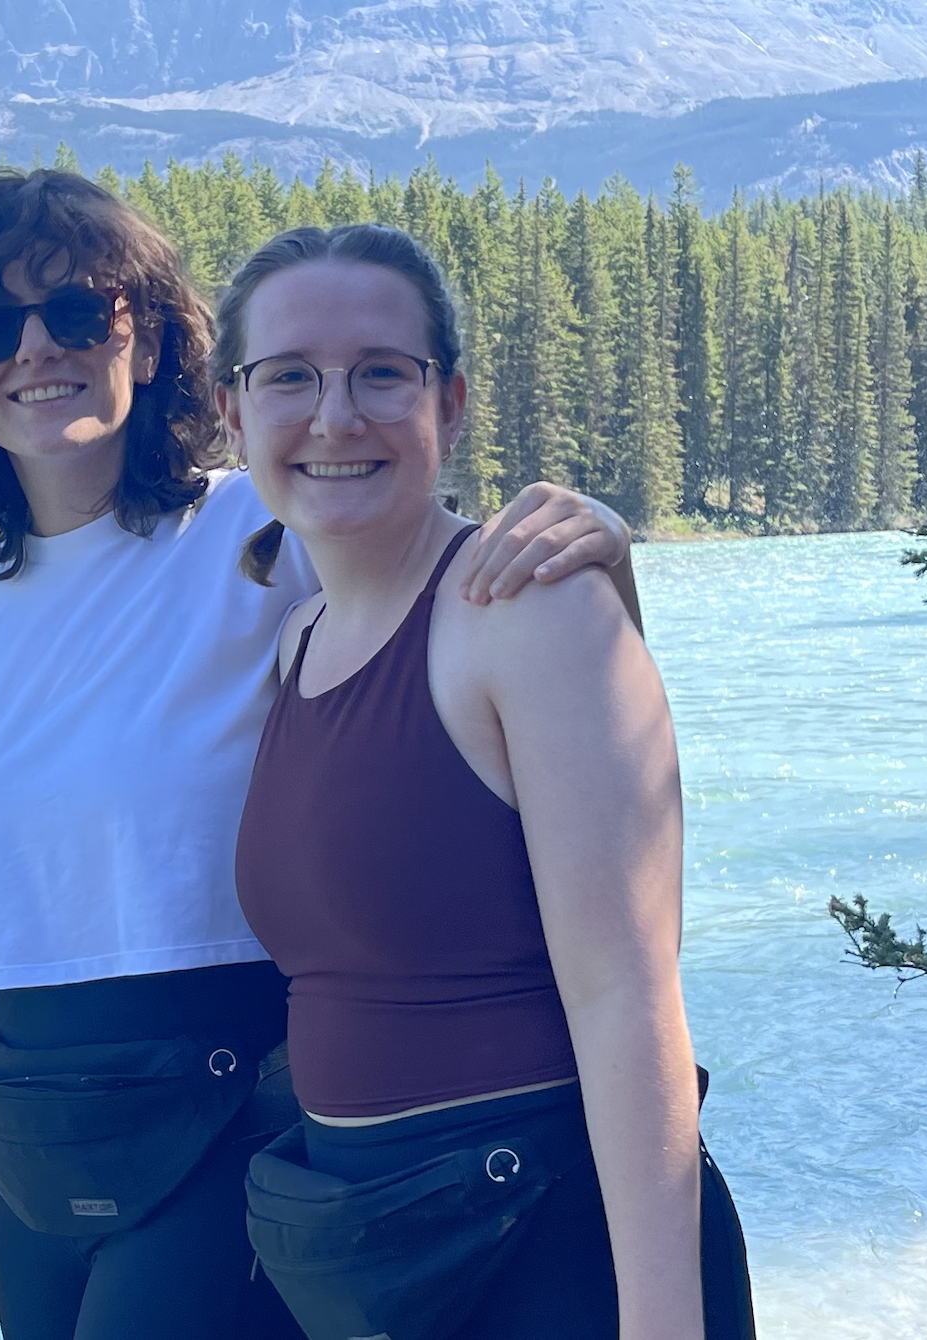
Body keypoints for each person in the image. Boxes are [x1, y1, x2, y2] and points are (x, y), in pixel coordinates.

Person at [0, 168, 638, 1340]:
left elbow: (483, 624)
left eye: (75, 311)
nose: (35, 348)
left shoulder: (264, 530)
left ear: (148, 338)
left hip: (229, 1114)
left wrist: (604, 555)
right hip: (30, 1145)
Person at [224, 223, 756, 1340]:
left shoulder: (528, 604)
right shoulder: (298, 639)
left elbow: (629, 991)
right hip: (371, 1250)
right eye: (290, 377)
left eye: (382, 372)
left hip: (549, 1242)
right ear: (235, 414)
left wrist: (663, 1318)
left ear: (451, 405)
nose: (335, 415)